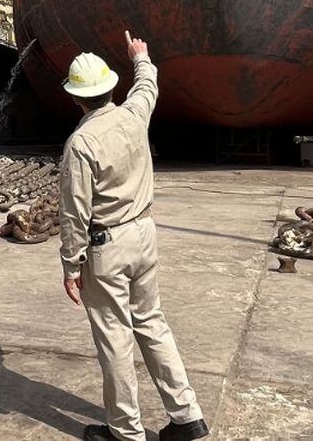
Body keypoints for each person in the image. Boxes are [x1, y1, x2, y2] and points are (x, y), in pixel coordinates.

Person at [59, 32, 208, 441]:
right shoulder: (134, 114)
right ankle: (187, 417)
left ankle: (126, 431)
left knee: (115, 340)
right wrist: (140, 56)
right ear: (110, 87)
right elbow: (147, 85)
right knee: (153, 324)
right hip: (145, 235)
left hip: (107, 248)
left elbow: (74, 213)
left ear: (75, 99)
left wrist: (71, 266)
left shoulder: (81, 143)